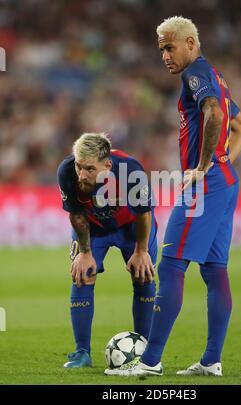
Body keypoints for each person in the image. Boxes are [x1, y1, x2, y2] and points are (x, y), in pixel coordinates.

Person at [105, 16, 241, 377]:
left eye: (169, 48)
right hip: (226, 180)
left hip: (207, 184)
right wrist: (222, 161)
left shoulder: (195, 74)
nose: (165, 56)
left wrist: (203, 167)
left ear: (190, 43)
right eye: (161, 50)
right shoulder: (217, 78)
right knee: (215, 269)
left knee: (170, 265)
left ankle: (150, 362)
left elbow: (215, 113)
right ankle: (211, 360)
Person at [57, 132, 157, 368]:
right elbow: (77, 215)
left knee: (144, 277)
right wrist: (84, 252)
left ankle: (146, 353)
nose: (82, 174)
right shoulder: (66, 172)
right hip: (93, 230)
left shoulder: (131, 170)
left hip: (131, 228)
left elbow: (144, 212)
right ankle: (82, 353)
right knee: (82, 276)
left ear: (107, 165)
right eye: (79, 166)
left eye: (90, 169)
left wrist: (141, 250)